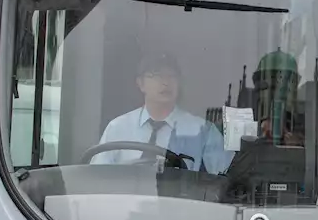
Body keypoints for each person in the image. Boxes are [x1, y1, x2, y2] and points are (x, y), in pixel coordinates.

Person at [94, 52, 233, 174]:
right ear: (140, 84)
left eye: (172, 76)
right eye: (156, 75)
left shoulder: (203, 131)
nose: (165, 82)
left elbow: (226, 181)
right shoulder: (118, 128)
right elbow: (97, 179)